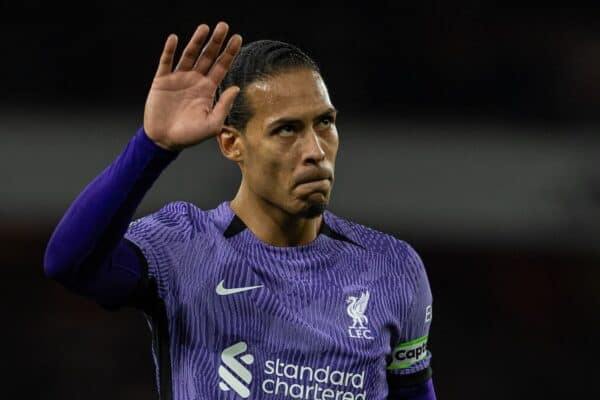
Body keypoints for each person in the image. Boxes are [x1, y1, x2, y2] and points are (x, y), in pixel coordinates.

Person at [44, 21, 436, 400]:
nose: (316, 152)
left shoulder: (392, 267)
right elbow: (68, 263)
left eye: (325, 122)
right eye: (286, 130)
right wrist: (153, 146)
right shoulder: (185, 245)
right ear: (232, 144)